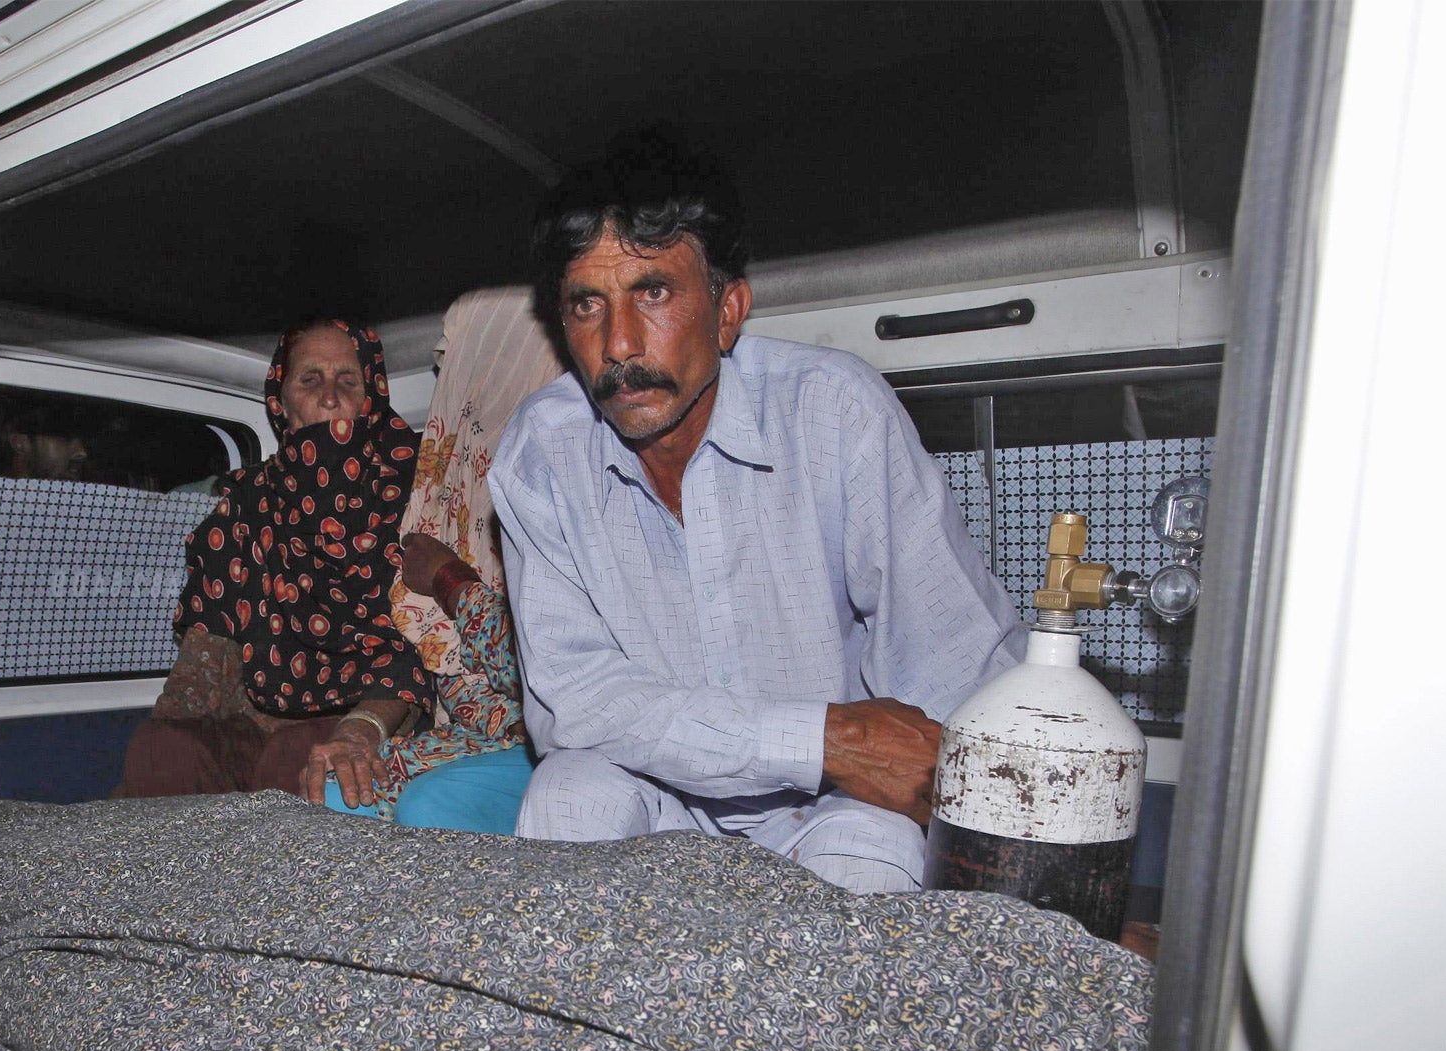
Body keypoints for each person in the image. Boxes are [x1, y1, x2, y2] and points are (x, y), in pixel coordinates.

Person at [491, 133, 1025, 893]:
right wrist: (819, 738)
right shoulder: (541, 453)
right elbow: (572, 706)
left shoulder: (834, 412)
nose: (618, 343)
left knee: (865, 855)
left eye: (654, 292)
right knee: (569, 794)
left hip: (836, 806)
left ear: (727, 310)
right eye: (587, 304)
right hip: (663, 794)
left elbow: (952, 664)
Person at [116, 319, 434, 801]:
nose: (330, 397)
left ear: (372, 398)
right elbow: (208, 644)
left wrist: (364, 725)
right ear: (280, 402)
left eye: (348, 381)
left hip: (375, 713)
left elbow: (425, 645)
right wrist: (166, 734)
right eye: (310, 379)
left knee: (299, 755)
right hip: (256, 717)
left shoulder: (416, 495)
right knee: (161, 750)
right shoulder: (248, 503)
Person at [317, 288, 566, 833]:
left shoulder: (573, 481)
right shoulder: (441, 495)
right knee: (341, 797)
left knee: (431, 807)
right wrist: (363, 729)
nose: (468, 398)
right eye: (461, 375)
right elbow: (404, 650)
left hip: (561, 743)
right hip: (475, 732)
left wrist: (452, 581)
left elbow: (547, 668)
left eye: (489, 372)